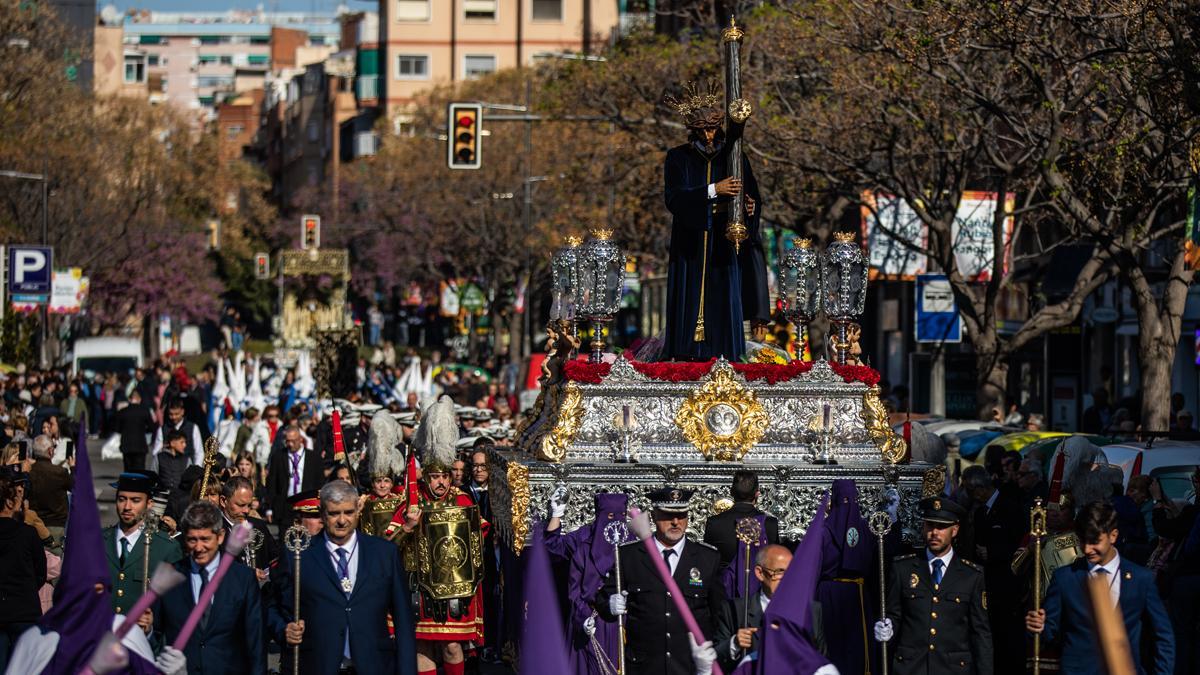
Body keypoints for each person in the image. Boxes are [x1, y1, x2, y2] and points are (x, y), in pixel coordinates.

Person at [661, 80, 769, 361]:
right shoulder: (677, 158)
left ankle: (725, 360)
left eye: (712, 129)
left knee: (723, 301)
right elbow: (675, 199)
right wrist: (713, 190)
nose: (709, 136)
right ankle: (685, 357)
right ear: (692, 130)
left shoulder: (734, 156)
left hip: (723, 245)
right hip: (691, 246)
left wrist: (749, 207)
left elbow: (753, 198)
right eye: (702, 130)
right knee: (689, 301)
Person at [277, 480, 417, 675]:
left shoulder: (384, 553)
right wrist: (284, 628)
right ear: (323, 513)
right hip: (319, 665)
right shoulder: (299, 555)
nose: (342, 521)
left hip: (374, 665)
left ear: (358, 510)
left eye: (349, 512)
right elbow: (274, 606)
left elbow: (403, 619)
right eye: (334, 513)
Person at [393, 396, 486, 675]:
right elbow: (388, 546)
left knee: (453, 646)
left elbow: (478, 540)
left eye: (445, 476)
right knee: (423, 649)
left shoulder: (463, 502)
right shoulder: (410, 502)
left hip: (455, 589)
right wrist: (408, 527)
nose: (441, 481)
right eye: (435, 476)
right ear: (426, 477)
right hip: (419, 588)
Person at [1025, 501, 1175, 675]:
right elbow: (1048, 633)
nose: (1087, 549)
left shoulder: (1142, 579)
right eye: (1083, 541)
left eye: (1095, 541)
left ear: (1113, 536)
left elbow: (1163, 636)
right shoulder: (1065, 578)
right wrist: (1037, 627)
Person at [601, 487, 726, 675]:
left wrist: (715, 653)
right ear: (653, 516)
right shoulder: (630, 556)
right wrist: (610, 604)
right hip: (645, 666)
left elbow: (718, 614)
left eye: (681, 515)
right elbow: (603, 599)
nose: (675, 522)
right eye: (667, 516)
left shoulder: (707, 558)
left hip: (690, 665)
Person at [875, 496, 993, 675]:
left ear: (954, 530)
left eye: (942, 527)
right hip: (911, 668)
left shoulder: (971, 576)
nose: (935, 532)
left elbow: (980, 633)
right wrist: (887, 627)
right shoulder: (903, 568)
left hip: (952, 669)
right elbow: (894, 613)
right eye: (930, 525)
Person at [153, 501, 266, 675]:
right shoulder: (168, 576)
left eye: (205, 539)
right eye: (192, 540)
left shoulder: (243, 579)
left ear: (220, 537)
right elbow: (155, 634)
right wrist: (147, 630)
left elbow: (255, 642)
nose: (198, 548)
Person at [545, 491, 632, 675]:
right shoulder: (584, 539)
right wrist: (556, 514)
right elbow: (554, 549)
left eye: (621, 516)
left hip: (622, 624)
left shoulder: (632, 542)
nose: (615, 523)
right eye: (609, 516)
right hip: (591, 621)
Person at [713, 544, 818, 670]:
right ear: (760, 573)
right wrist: (734, 643)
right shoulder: (735, 609)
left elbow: (821, 658)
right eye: (779, 572)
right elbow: (715, 659)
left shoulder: (811, 610)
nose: (787, 579)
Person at [962, 465, 1025, 673]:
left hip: (1007, 582)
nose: (970, 496)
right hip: (987, 581)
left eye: (970, 491)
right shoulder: (980, 512)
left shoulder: (1010, 507)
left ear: (979, 488)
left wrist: (995, 553)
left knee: (1005, 632)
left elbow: (1020, 543)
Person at [815, 479, 874, 675]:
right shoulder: (865, 528)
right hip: (856, 594)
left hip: (830, 594)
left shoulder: (823, 530)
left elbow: (815, 566)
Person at [104, 471, 182, 616]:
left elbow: (173, 610)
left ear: (149, 504)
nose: (127, 507)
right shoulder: (98, 542)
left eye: (135, 500)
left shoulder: (166, 548)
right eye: (122, 499)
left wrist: (151, 628)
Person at [0, 472, 46, 671]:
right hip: (24, 611)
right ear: (9, 503)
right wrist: (26, 589)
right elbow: (40, 572)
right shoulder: (27, 533)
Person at [703, 470, 779, 569]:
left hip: (723, 581)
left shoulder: (715, 523)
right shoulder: (770, 524)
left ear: (731, 492)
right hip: (758, 581)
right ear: (757, 494)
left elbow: (707, 559)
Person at [264, 427, 324, 533]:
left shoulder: (314, 458)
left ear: (301, 439)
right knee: (285, 541)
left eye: (293, 441)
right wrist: (269, 508)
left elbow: (319, 483)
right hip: (285, 506)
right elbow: (272, 483)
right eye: (287, 441)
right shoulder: (278, 457)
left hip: (307, 506)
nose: (290, 444)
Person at [218, 476, 277, 583]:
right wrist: (246, 574)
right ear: (223, 501)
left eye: (249, 505)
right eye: (240, 505)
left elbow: (274, 557)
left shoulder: (258, 525)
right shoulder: (215, 530)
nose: (246, 510)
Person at [27, 434, 72, 551]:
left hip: (33, 523)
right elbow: (76, 487)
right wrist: (73, 467)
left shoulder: (29, 472)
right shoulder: (60, 472)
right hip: (56, 525)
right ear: (50, 451)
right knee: (53, 564)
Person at [150, 398, 203, 470]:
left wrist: (195, 470)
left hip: (188, 468)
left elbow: (199, 452)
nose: (174, 417)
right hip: (168, 470)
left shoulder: (193, 428)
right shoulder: (163, 429)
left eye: (176, 414)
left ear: (182, 412)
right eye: (171, 414)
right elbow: (155, 453)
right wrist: (164, 448)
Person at [114, 391, 156, 472]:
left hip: (126, 444)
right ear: (139, 399)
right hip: (140, 444)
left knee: (128, 469)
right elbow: (152, 427)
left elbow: (117, 429)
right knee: (139, 470)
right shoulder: (145, 411)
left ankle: (129, 484)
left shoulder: (123, 412)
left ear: (129, 399)